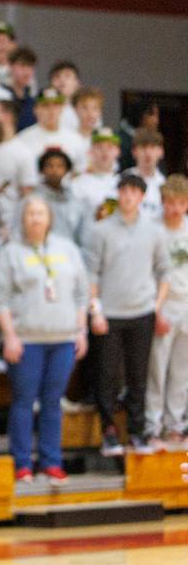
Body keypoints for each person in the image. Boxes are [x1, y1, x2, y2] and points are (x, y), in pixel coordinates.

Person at [0, 196, 89, 485]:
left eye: (41, 212)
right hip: (26, 341)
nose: (35, 218)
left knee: (53, 402)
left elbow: (82, 292)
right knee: (23, 401)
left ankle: (51, 462)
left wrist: (81, 331)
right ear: (23, 218)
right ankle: (22, 463)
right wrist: (9, 336)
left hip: (63, 339)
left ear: (49, 218)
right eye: (30, 213)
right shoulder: (10, 253)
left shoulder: (67, 249)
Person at [83, 173, 171, 456]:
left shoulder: (154, 231)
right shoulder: (101, 230)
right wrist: (95, 311)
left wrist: (156, 306)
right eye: (124, 190)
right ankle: (108, 432)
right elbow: (91, 274)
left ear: (142, 197)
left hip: (142, 312)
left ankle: (137, 431)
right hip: (109, 313)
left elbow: (164, 271)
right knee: (107, 374)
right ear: (118, 194)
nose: (129, 196)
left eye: (135, 191)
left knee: (138, 375)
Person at [146, 175, 188, 448]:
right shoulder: (152, 230)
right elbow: (146, 273)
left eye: (181, 203)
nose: (175, 209)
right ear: (162, 202)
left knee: (182, 370)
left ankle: (175, 424)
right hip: (163, 306)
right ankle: (153, 424)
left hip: (186, 305)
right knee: (157, 369)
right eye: (170, 203)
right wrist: (155, 311)